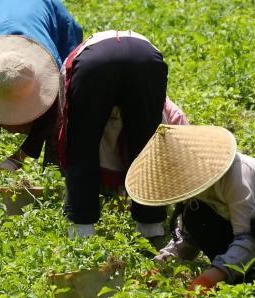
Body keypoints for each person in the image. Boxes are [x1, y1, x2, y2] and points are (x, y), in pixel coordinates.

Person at [125, 124, 255, 291]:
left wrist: (210, 277)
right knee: (196, 216)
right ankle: (251, 277)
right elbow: (188, 237)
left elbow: (248, 236)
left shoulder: (237, 175)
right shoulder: (194, 192)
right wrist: (162, 264)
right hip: (254, 238)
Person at [59, 30, 187, 242]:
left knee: (82, 142)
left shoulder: (77, 56)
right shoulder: (172, 109)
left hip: (94, 65)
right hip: (146, 59)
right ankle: (151, 225)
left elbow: (67, 121)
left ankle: (82, 229)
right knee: (147, 143)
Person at [0, 0, 83, 186]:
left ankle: (56, 182)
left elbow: (51, 117)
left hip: (48, 11)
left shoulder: (47, 76)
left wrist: (18, 157)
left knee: (63, 114)